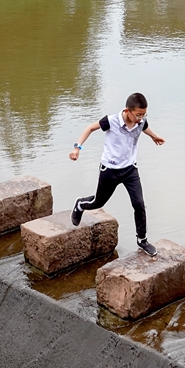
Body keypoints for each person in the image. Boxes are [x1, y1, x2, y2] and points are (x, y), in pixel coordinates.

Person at [69, 92, 166, 257]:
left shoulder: (140, 122)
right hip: (110, 170)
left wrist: (154, 136)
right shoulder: (111, 121)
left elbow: (144, 127)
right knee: (98, 202)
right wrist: (77, 148)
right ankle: (80, 205)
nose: (141, 118)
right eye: (138, 115)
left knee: (139, 204)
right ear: (127, 111)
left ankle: (142, 240)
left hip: (130, 170)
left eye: (144, 114)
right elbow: (90, 128)